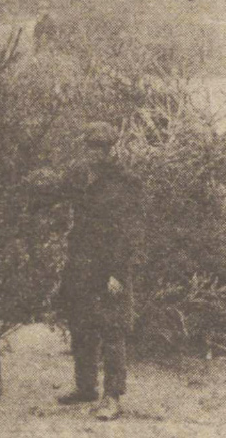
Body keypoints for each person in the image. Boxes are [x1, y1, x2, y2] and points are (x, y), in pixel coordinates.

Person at [38, 122, 144, 421]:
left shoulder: (125, 183)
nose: (95, 153)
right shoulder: (82, 179)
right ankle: (85, 387)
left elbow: (131, 232)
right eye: (91, 147)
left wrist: (119, 274)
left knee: (112, 331)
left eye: (101, 148)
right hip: (81, 265)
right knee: (81, 326)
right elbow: (57, 201)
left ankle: (113, 397)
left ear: (112, 149)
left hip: (111, 267)